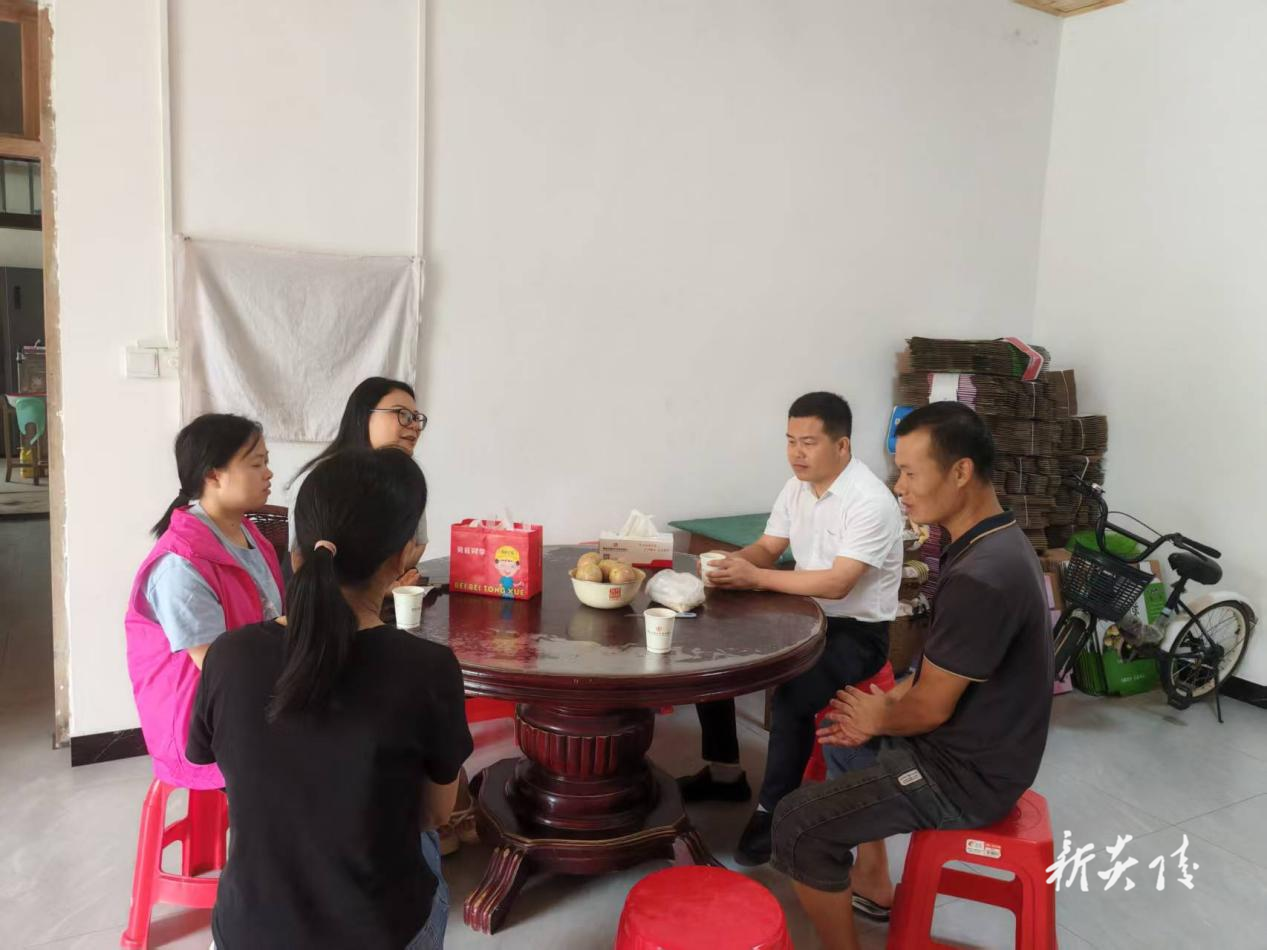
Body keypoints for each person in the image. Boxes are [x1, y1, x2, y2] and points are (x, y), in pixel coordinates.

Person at [770, 401, 1054, 950]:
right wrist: (877, 711)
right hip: (974, 747)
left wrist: (882, 716)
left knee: (797, 825)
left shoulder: (983, 576)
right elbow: (933, 674)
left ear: (960, 471)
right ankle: (873, 880)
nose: (899, 487)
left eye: (909, 472)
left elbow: (929, 708)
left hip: (967, 776)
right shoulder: (990, 540)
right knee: (842, 730)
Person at [188, 448, 473, 950]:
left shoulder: (229, 656)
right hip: (378, 933)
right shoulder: (427, 669)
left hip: (247, 932)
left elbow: (213, 764)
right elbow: (434, 814)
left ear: (297, 553)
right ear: (400, 560)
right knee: (428, 844)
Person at [679, 392, 904, 867]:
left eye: (808, 442)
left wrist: (756, 578)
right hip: (800, 612)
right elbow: (767, 547)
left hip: (856, 630)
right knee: (711, 651)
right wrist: (731, 564)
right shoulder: (796, 487)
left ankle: (774, 810)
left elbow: (839, 584)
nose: (796, 453)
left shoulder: (870, 502)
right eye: (790, 441)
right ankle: (725, 773)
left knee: (794, 697)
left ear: (842, 445)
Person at [124, 413, 283, 790]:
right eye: (256, 464)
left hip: (250, 693)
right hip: (202, 727)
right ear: (213, 475)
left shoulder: (248, 534)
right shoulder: (179, 564)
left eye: (266, 462)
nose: (269, 473)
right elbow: (218, 666)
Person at [289, 376, 429, 586]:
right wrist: (372, 588)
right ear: (364, 417)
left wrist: (380, 585)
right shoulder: (319, 480)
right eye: (403, 414)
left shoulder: (406, 478)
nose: (415, 426)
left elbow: (418, 544)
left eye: (417, 418)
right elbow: (301, 560)